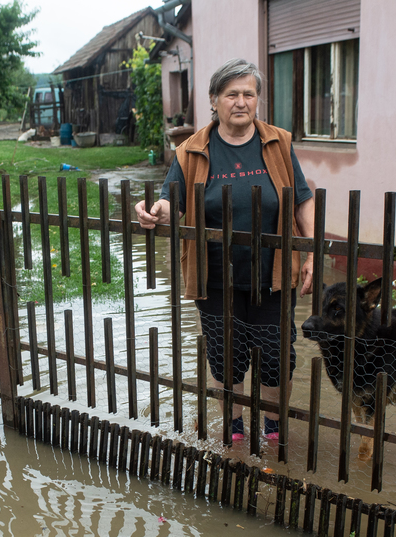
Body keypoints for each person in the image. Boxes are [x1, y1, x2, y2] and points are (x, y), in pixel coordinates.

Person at [134, 58, 316, 442]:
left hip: (273, 273)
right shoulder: (192, 150)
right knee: (225, 357)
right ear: (214, 101)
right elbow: (172, 200)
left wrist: (312, 251)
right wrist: (155, 212)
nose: (241, 101)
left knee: (275, 356)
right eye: (231, 94)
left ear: (257, 101)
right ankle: (233, 427)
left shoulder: (279, 143)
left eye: (249, 93)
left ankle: (271, 425)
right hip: (215, 276)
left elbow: (302, 200)